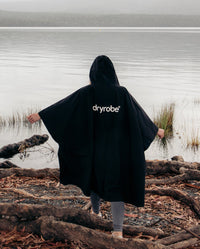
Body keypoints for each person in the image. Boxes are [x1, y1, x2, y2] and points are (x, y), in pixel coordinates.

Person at [27, 55, 164, 239]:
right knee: (118, 188)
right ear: (112, 73)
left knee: (94, 180)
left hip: (95, 151)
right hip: (117, 153)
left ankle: (96, 213)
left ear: (93, 73)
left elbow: (65, 108)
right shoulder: (121, 93)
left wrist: (41, 115)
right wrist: (155, 130)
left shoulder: (87, 93)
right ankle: (117, 231)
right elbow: (138, 116)